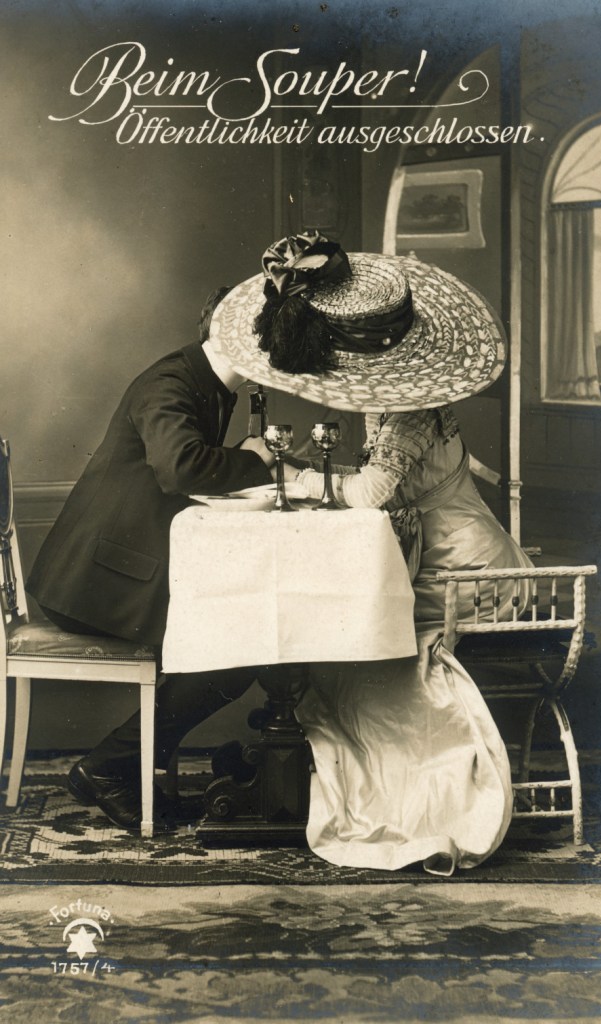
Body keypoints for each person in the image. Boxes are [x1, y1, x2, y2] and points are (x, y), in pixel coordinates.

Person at [208, 231, 534, 875]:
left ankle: (370, 787)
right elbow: (375, 480)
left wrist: (297, 478)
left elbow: (370, 493)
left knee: (357, 642)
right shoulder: (394, 404)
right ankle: (303, 768)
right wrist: (308, 468)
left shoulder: (409, 411)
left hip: (469, 573)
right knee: (344, 628)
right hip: (436, 561)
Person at [26, 288, 277, 831]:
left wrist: (246, 458)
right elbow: (180, 468)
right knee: (234, 652)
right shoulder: (169, 382)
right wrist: (255, 462)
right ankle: (108, 767)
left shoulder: (208, 385)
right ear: (242, 339)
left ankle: (126, 765)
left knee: (238, 642)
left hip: (122, 571)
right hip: (93, 584)